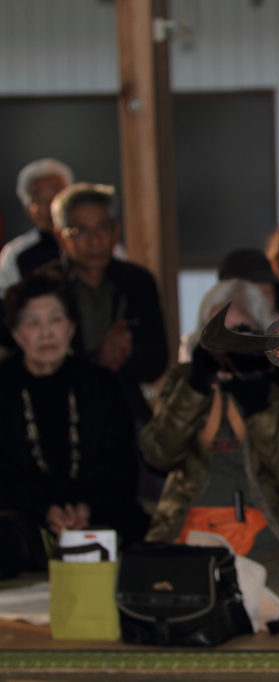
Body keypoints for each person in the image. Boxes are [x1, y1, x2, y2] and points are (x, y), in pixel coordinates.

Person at [141, 280, 279, 621]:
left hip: (269, 534)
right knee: (148, 594)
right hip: (188, 528)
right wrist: (196, 388)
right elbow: (157, 454)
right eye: (217, 332)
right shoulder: (184, 380)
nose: (228, 343)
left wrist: (257, 402)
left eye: (240, 333)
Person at [0, 273, 148, 578]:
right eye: (32, 323)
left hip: (93, 511)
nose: (45, 333)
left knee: (133, 521)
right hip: (25, 515)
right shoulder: (4, 386)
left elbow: (121, 465)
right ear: (15, 333)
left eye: (55, 320)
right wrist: (45, 509)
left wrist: (85, 507)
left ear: (71, 326)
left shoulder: (101, 383)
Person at [45, 183, 168, 422]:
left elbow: (157, 361)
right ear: (61, 236)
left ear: (116, 231)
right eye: (81, 231)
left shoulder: (137, 282)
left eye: (102, 228)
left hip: (126, 409)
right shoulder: (46, 288)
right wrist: (97, 360)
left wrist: (127, 352)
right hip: (60, 412)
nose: (94, 241)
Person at [0, 159, 73, 299]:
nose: (50, 204)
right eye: (38, 198)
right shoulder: (15, 253)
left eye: (56, 193)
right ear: (27, 209)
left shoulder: (97, 241)